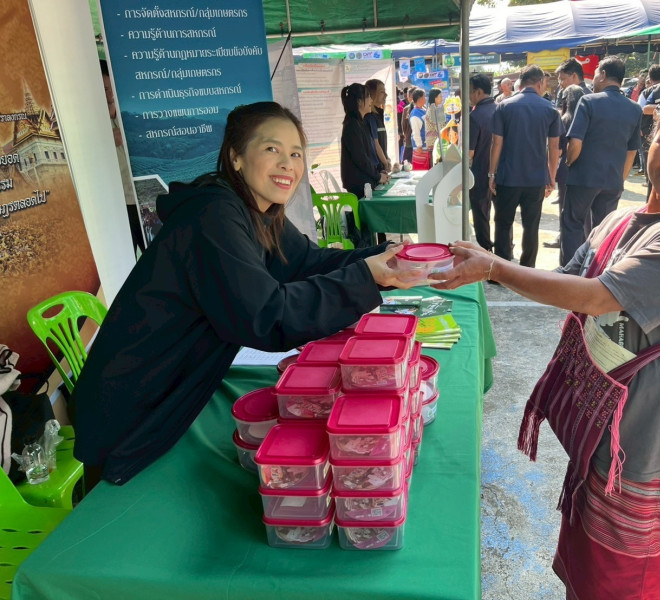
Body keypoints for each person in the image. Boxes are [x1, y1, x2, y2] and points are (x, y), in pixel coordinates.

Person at [430, 65, 660, 600]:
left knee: (629, 574)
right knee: (589, 563)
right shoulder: (624, 221)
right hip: (608, 421)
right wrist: (489, 265)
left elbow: (597, 297)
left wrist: (494, 267)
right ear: (650, 139)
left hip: (650, 434)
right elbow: (569, 279)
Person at [70, 102, 416, 487]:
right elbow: (267, 316)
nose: (288, 164)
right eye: (272, 149)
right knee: (123, 509)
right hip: (132, 408)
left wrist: (385, 258)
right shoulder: (213, 215)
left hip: (175, 391)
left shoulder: (258, 211)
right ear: (236, 157)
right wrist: (365, 277)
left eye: (296, 153)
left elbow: (306, 263)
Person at [560, 56, 642, 266]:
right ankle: (595, 269)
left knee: (572, 225)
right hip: (613, 181)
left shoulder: (589, 101)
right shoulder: (634, 108)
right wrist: (620, 178)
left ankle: (570, 272)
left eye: (596, 72)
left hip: (583, 177)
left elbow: (575, 142)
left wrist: (569, 163)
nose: (594, 78)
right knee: (604, 229)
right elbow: (631, 151)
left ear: (603, 75)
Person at [488, 65, 561, 268]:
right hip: (535, 179)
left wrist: (491, 174)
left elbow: (496, 143)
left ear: (520, 82)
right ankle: (527, 270)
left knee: (503, 224)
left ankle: (502, 270)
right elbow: (554, 147)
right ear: (540, 83)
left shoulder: (504, 106)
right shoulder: (550, 109)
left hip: (507, 177)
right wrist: (551, 176)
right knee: (531, 226)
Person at [101, 60, 144, 255]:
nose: (110, 94)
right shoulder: (92, 122)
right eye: (104, 89)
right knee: (126, 260)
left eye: (112, 88)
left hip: (142, 200)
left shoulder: (130, 115)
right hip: (117, 206)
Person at [544, 84, 587, 250]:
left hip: (566, 170)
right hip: (584, 169)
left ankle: (563, 240)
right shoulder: (588, 118)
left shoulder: (565, 119)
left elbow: (558, 149)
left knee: (565, 209)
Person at [340, 83, 388, 198]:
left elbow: (369, 154)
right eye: (368, 97)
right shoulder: (352, 125)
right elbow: (360, 158)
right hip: (359, 184)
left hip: (366, 181)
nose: (371, 100)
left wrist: (379, 172)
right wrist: (378, 177)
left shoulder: (360, 122)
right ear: (359, 102)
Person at [467, 73, 497, 252]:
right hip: (502, 171)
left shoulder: (475, 116)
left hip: (481, 172)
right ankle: (505, 248)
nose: (468, 96)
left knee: (481, 214)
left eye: (470, 91)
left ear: (478, 92)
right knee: (502, 215)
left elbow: (470, 152)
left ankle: (486, 249)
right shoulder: (501, 109)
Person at [636, 63, 660, 182]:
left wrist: (639, 128)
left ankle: (650, 182)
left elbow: (640, 111)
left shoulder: (646, 93)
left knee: (649, 160)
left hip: (647, 132)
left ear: (650, 76)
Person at [364, 79, 391, 172]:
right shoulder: (370, 117)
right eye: (382, 92)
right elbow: (375, 144)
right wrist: (385, 162)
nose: (386, 95)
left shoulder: (378, 115)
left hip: (381, 167)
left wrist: (386, 158)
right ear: (372, 94)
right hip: (376, 169)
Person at [409, 89, 429, 169]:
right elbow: (416, 131)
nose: (425, 98)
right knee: (421, 170)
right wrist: (419, 146)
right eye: (424, 96)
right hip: (421, 148)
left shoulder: (423, 109)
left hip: (425, 146)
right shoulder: (415, 114)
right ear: (420, 99)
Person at [424, 88, 446, 153]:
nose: (442, 98)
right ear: (435, 98)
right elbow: (439, 127)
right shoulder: (432, 110)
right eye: (440, 96)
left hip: (435, 141)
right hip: (434, 142)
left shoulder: (434, 108)